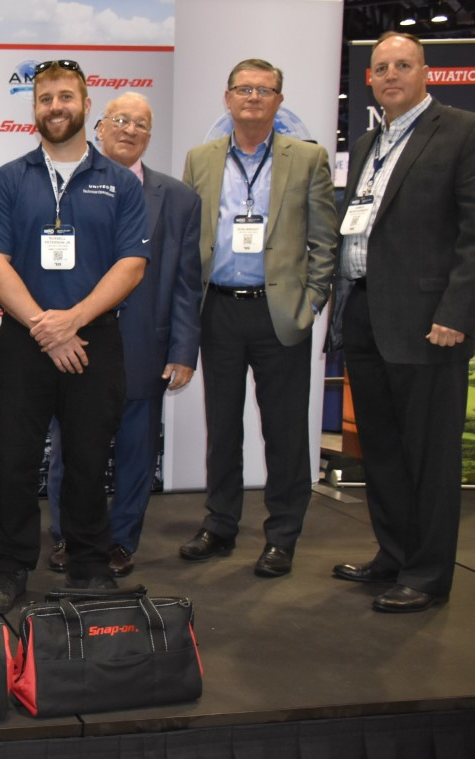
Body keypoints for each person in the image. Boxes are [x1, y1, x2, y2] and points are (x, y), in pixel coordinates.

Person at [0, 60, 148, 615]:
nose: (55, 107)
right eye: (45, 98)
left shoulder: (121, 182)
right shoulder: (7, 179)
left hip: (94, 342)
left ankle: (90, 567)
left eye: (66, 97)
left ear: (86, 105)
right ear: (34, 108)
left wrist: (72, 320)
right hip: (25, 342)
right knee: (15, 461)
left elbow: (131, 265)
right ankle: (8, 569)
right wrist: (47, 328)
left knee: (90, 461)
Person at [329, 32, 475, 613]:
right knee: (383, 449)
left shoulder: (460, 131)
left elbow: (473, 234)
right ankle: (393, 554)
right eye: (381, 67)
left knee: (430, 456)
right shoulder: (369, 141)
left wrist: (456, 312)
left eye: (403, 65)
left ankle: (427, 573)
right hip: (366, 312)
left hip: (429, 322)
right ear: (370, 79)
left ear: (425, 72)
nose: (391, 75)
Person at [179, 58, 337, 577]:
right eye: (244, 89)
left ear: (278, 101)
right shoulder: (200, 159)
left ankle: (282, 535)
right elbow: (189, 239)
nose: (253, 97)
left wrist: (310, 302)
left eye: (264, 90)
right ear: (227, 98)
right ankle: (220, 523)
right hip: (218, 310)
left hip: (279, 314)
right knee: (222, 427)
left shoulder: (308, 157)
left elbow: (324, 241)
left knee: (285, 431)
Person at [45, 92, 202, 578]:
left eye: (141, 124)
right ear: (100, 127)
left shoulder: (179, 199)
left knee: (137, 454)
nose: (130, 130)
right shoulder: (62, 187)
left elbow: (186, 282)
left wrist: (183, 350)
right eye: (120, 120)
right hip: (76, 343)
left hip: (142, 346)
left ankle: (120, 542)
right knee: (70, 451)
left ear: (149, 136)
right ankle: (69, 537)